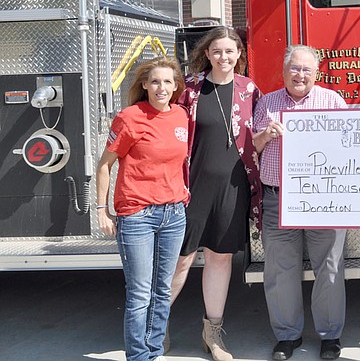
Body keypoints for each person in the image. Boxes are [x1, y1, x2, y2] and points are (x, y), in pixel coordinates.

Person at [168, 27, 263, 361]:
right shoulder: (190, 89)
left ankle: (212, 334)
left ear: (240, 54)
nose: (224, 57)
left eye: (230, 51)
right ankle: (154, 327)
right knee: (181, 258)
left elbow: (256, 140)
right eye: (217, 51)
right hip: (191, 187)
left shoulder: (250, 90)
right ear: (206, 54)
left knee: (221, 258)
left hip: (233, 186)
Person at [253, 45, 348, 361]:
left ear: (316, 73)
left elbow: (351, 147)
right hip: (278, 198)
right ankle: (287, 336)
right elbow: (254, 146)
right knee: (281, 270)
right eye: (294, 68)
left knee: (330, 268)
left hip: (324, 198)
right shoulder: (267, 103)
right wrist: (267, 134)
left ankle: (330, 336)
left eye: (307, 69)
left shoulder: (332, 102)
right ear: (283, 71)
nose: (300, 74)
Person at [96, 56, 189, 361]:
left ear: (176, 86)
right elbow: (104, 166)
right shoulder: (130, 117)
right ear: (145, 85)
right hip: (138, 215)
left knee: (162, 291)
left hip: (174, 214)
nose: (161, 87)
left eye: (167, 82)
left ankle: (153, 351)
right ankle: (138, 356)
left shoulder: (181, 116)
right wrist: (102, 210)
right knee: (139, 294)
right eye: (155, 82)